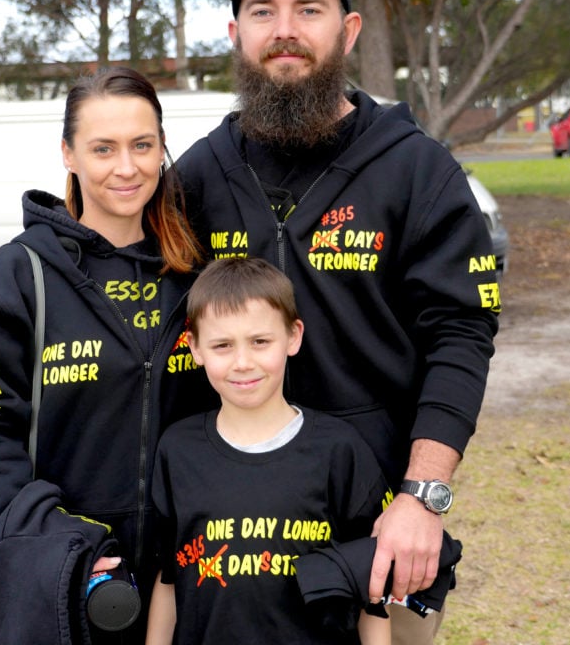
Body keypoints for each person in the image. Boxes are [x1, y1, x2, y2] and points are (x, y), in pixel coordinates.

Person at [175, 0, 501, 644]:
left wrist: (422, 497)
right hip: (231, 541)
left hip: (380, 529)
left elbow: (461, 336)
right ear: (236, 33)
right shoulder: (197, 176)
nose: (285, 31)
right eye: (262, 11)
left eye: (309, 9)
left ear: (347, 30)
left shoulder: (418, 171)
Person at [0, 67, 209, 645]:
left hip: (190, 573)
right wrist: (57, 543)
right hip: (71, 578)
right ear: (68, 154)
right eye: (103, 148)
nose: (127, 167)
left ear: (163, 148)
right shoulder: (18, 277)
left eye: (143, 145)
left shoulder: (197, 272)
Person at [146, 257, 392, 645]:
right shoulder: (177, 451)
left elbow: (371, 590)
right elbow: (168, 578)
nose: (243, 362)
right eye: (222, 345)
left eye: (260, 341)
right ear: (194, 347)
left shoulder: (338, 450)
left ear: (293, 337)